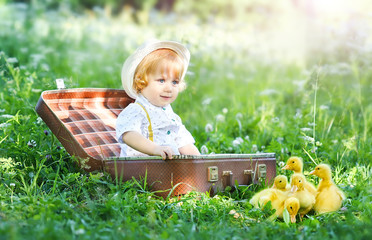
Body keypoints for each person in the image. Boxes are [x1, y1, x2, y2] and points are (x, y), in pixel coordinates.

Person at [116, 39, 200, 159]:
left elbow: (183, 142)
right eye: (161, 80)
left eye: (175, 82)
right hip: (141, 168)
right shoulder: (137, 110)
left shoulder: (171, 116)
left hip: (167, 168)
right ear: (141, 81)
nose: (169, 88)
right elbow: (129, 135)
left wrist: (200, 160)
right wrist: (155, 149)